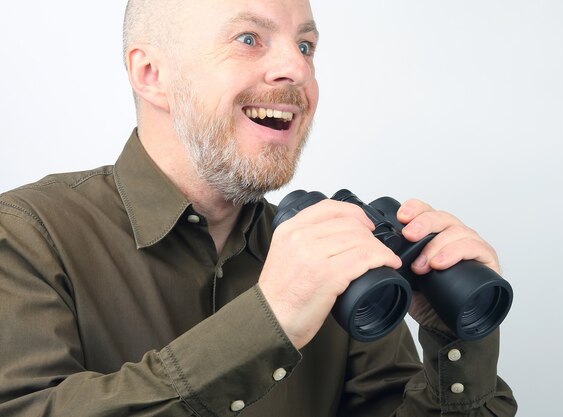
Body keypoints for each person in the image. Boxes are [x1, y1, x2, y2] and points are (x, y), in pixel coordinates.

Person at [0, 0, 517, 415]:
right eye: (249, 39)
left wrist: (455, 344)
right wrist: (270, 320)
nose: (297, 68)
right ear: (152, 72)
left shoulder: (340, 264)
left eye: (306, 45)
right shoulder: (26, 236)